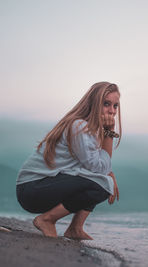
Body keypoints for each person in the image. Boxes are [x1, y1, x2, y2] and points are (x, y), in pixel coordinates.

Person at [16, 81, 122, 240]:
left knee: (102, 180)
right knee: (102, 184)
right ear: (94, 103)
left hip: (39, 187)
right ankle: (47, 220)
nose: (112, 111)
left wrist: (109, 173)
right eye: (106, 104)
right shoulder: (79, 126)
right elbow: (96, 168)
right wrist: (109, 132)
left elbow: (94, 166)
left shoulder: (88, 129)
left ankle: (75, 228)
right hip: (32, 189)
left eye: (115, 106)